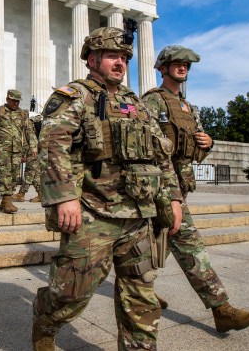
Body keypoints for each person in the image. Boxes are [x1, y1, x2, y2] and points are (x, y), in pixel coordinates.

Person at [32, 27, 183, 350]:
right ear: (92, 59)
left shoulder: (134, 102)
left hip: (138, 215)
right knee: (70, 295)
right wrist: (64, 197)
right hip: (91, 212)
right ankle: (46, 322)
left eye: (125, 57)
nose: (120, 63)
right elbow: (52, 145)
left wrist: (172, 197)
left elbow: (161, 153)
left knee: (141, 296)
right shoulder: (75, 95)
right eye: (113, 56)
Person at [142, 45, 249, 333]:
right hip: (161, 186)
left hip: (180, 185)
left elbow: (194, 148)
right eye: (177, 63)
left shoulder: (189, 107)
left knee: (155, 244)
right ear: (163, 68)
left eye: (186, 64)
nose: (183, 67)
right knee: (189, 243)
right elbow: (147, 146)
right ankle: (222, 309)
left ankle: (141, 289)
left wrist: (208, 144)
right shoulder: (153, 101)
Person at [0, 89, 37, 214]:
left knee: (14, 176)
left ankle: (5, 201)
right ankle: (7, 200)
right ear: (7, 99)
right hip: (3, 150)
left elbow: (29, 131)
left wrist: (33, 146)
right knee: (5, 174)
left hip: (17, 151)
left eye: (17, 101)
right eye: (13, 100)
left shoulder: (22, 114)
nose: (15, 103)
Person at [12, 114, 42, 203]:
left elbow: (31, 136)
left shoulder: (27, 123)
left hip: (33, 151)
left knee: (29, 172)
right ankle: (41, 195)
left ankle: (21, 194)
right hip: (34, 150)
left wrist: (32, 149)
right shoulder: (26, 123)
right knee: (35, 175)